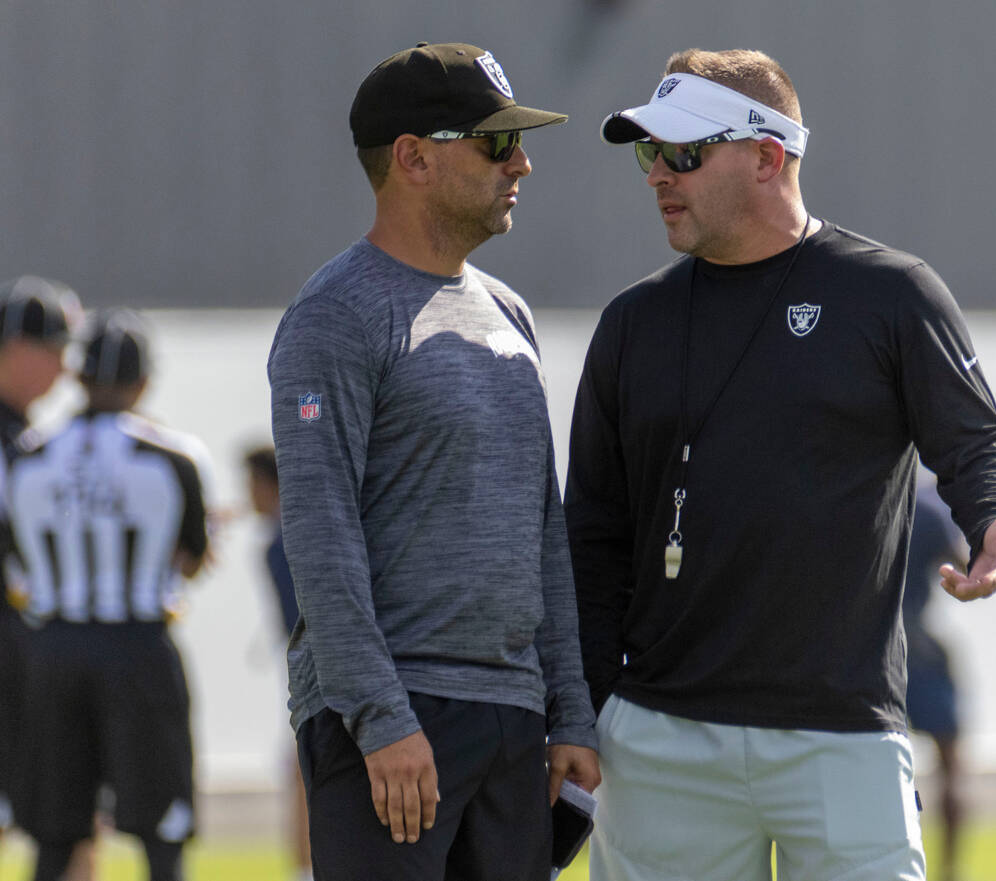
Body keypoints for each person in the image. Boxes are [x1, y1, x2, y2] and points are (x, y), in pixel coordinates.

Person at [565, 48, 996, 881]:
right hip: (661, 737)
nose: (657, 176)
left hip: (842, 732)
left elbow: (975, 442)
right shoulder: (632, 324)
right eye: (648, 153)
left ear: (767, 156)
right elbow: (590, 536)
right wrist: (580, 709)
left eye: (682, 154)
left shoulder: (890, 294)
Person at [267, 42, 600, 881]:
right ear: (411, 157)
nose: (520, 162)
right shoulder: (335, 313)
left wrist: (570, 711)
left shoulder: (510, 315)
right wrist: (381, 718)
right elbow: (318, 529)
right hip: (394, 723)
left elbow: (542, 524)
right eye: (494, 143)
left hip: (513, 719)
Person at [3, 308, 210, 881]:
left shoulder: (29, 455)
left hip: (52, 652)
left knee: (53, 833)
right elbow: (191, 558)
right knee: (160, 833)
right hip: (139, 648)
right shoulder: (175, 458)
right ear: (143, 381)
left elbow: (17, 557)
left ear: (76, 376)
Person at [0, 276, 96, 881]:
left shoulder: (25, 440)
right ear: (15, 348)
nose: (64, 369)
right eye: (55, 351)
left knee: (67, 817)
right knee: (65, 816)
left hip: (25, 653)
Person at [243, 445, 311, 881]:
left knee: (301, 772)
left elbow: (298, 625)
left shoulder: (281, 543)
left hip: (311, 683)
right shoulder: (303, 531)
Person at [904, 484, 969, 881]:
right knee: (950, 765)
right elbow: (962, 565)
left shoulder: (847, 489)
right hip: (917, 647)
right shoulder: (928, 507)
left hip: (860, 646)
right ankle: (949, 871)